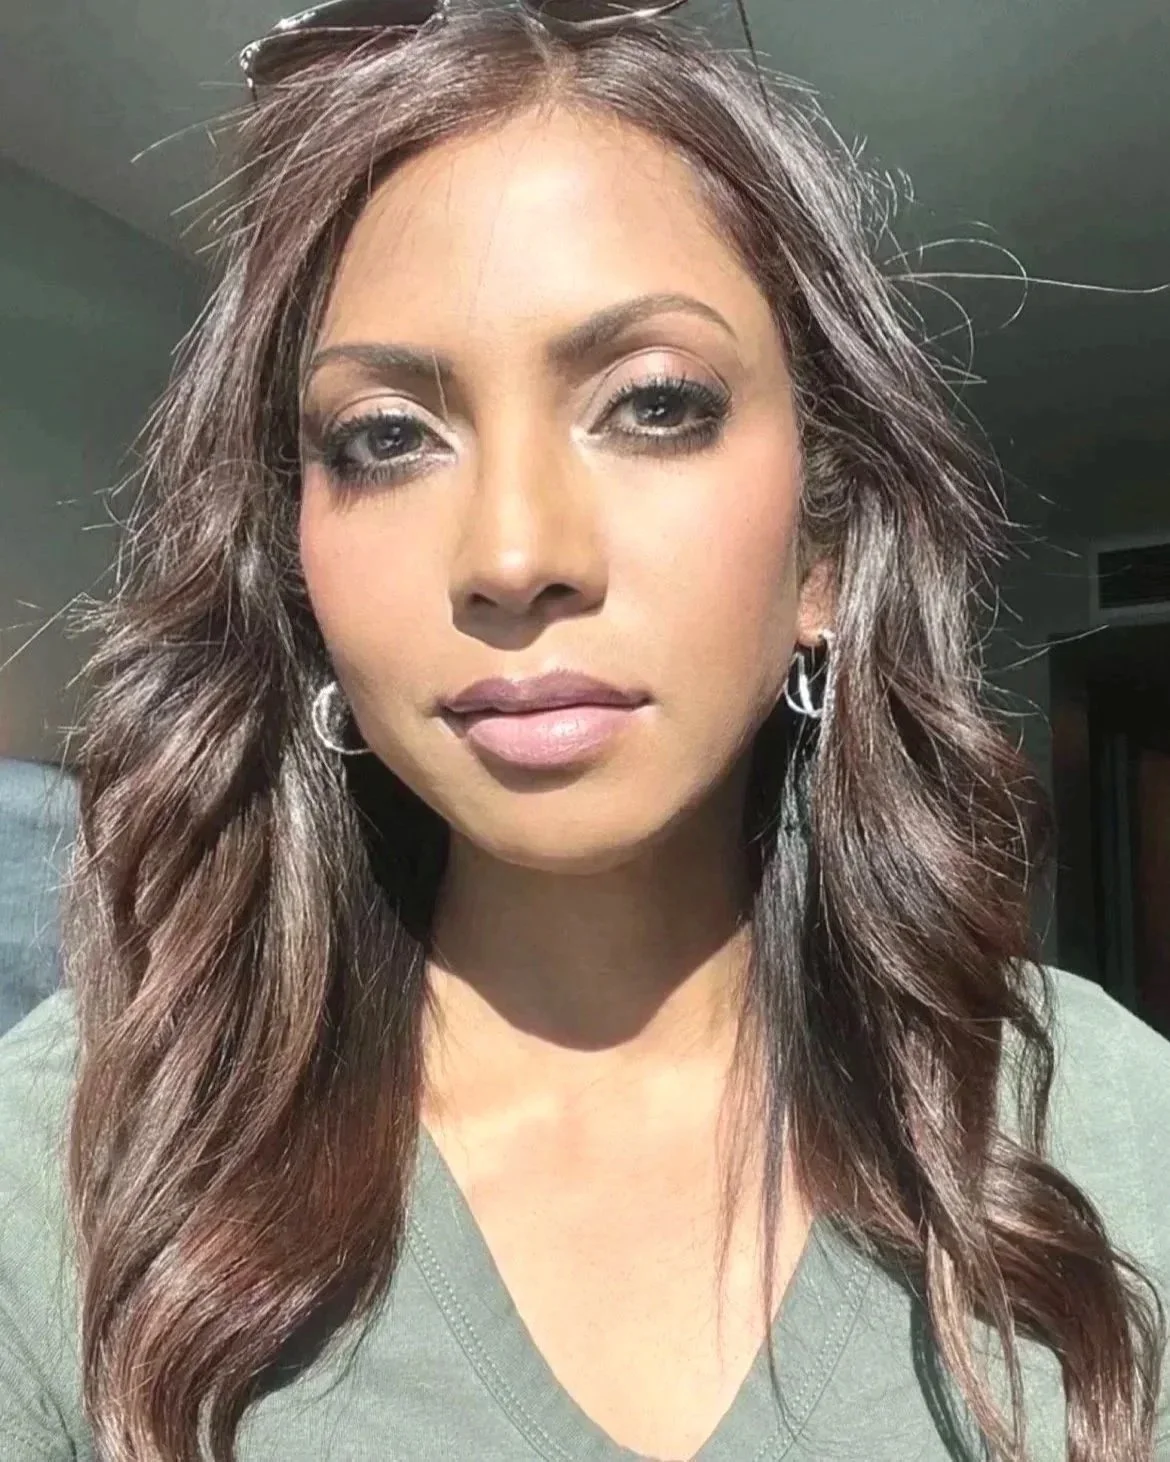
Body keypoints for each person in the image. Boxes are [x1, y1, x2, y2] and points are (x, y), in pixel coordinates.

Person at [0, 2, 1166, 1459]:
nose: (511, 550)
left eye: (652, 404)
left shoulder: (1105, 1128)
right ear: (294, 565)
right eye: (384, 436)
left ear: (824, 549)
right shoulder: (78, 1157)